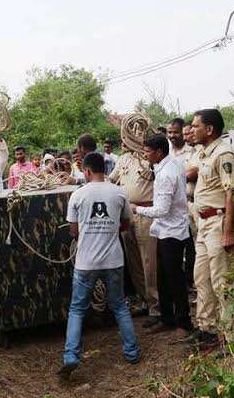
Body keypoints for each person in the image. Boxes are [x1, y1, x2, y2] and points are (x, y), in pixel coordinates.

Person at [61, 152, 141, 377]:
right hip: (114, 260)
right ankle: (132, 352)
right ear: (104, 169)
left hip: (86, 262)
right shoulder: (119, 192)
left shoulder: (78, 195)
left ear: (86, 171)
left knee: (77, 309)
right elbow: (126, 223)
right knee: (119, 306)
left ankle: (71, 356)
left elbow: (74, 231)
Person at [184, 109, 234, 347]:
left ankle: (231, 337)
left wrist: (228, 232)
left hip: (218, 223)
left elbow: (233, 193)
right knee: (201, 278)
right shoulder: (204, 154)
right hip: (203, 224)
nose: (191, 130)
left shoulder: (225, 154)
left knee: (221, 281)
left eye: (195, 126)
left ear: (209, 129)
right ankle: (207, 329)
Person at [131, 134, 192, 334]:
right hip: (167, 229)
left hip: (171, 232)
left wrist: (136, 208)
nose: (145, 155)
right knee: (164, 277)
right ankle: (168, 318)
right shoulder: (170, 165)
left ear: (158, 152)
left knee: (173, 278)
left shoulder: (166, 174)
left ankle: (183, 322)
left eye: (148, 151)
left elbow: (162, 210)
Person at [109, 138, 159, 323]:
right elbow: (111, 180)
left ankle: (156, 307)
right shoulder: (122, 160)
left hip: (146, 214)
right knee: (134, 262)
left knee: (149, 262)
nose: (123, 141)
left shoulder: (149, 159)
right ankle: (146, 301)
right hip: (127, 215)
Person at [167, 118, 197, 288]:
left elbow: (192, 174)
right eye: (169, 132)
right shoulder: (166, 153)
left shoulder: (192, 152)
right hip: (172, 207)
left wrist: (173, 178)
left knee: (192, 244)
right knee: (176, 245)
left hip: (190, 204)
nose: (172, 135)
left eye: (175, 132)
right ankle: (179, 283)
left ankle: (191, 281)